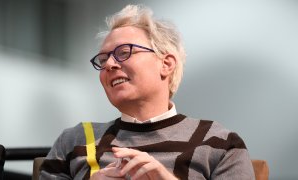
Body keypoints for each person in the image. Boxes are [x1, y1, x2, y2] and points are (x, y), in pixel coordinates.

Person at [40, 4, 255, 180]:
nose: (109, 65)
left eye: (124, 52)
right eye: (103, 59)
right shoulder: (74, 140)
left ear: (166, 64)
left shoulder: (220, 143)